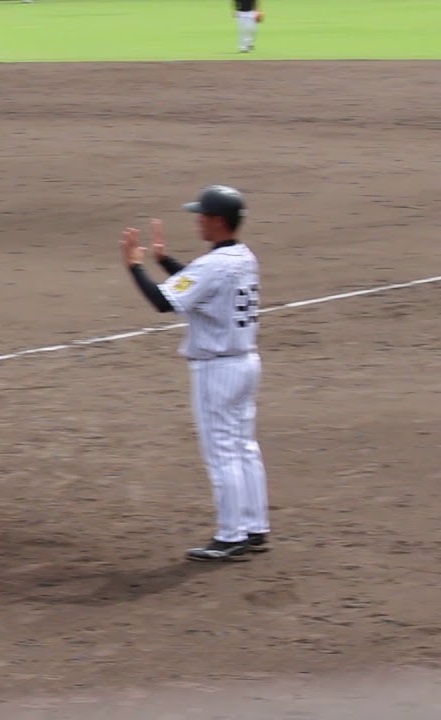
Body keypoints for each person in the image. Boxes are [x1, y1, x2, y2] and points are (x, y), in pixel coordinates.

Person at [120, 185, 271, 562]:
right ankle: (254, 527)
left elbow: (163, 301)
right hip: (245, 362)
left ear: (217, 220)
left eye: (201, 215)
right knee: (244, 447)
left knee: (222, 452)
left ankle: (231, 535)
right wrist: (165, 261)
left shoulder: (213, 265)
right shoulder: (243, 257)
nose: (197, 221)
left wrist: (135, 266)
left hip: (217, 370)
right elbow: (203, 287)